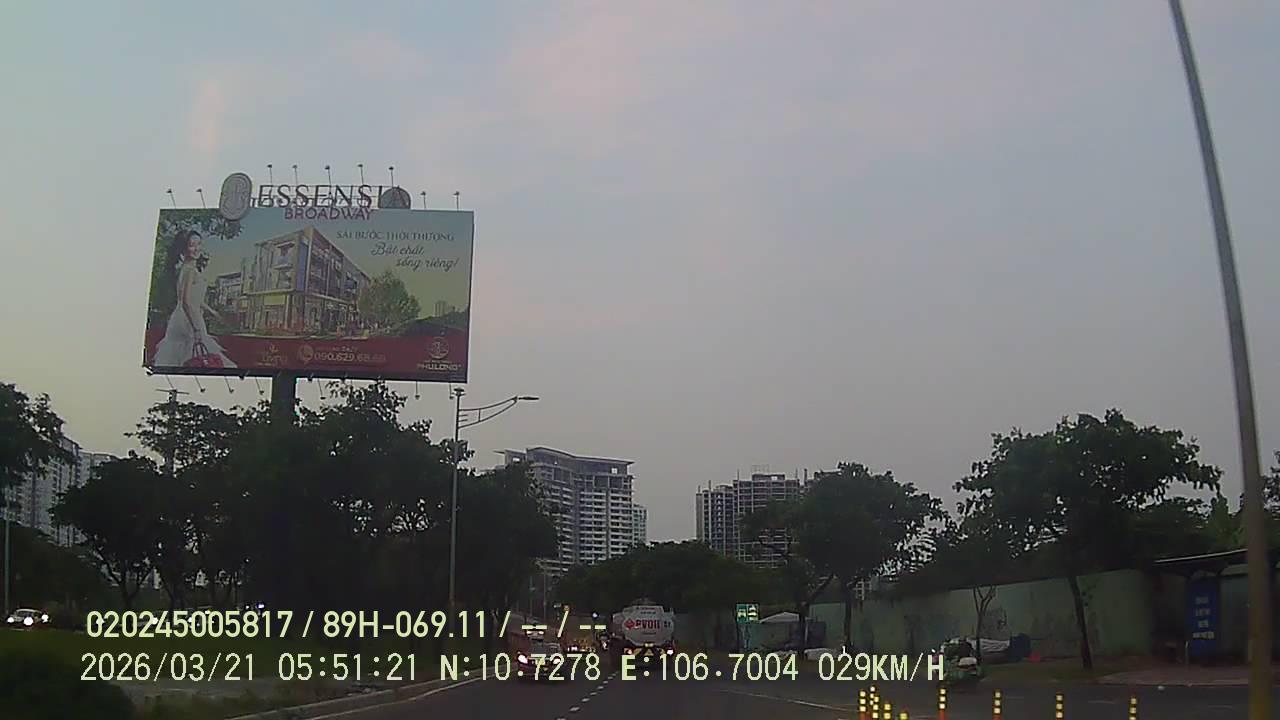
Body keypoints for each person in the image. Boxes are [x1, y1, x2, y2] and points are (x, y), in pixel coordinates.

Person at [152, 229, 236, 368]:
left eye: (199, 244)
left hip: (181, 317)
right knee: (200, 357)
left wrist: (212, 312)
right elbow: (186, 301)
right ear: (183, 249)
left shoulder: (185, 269)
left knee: (180, 359)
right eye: (192, 245)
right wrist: (196, 328)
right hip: (189, 319)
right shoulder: (190, 271)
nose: (197, 248)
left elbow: (193, 299)